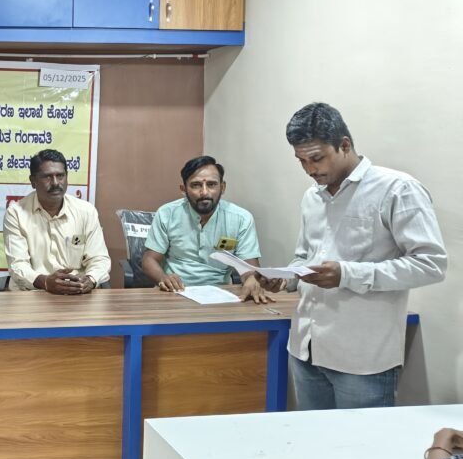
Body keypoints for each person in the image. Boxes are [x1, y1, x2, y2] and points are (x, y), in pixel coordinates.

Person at [260, 102, 447, 409]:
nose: (309, 169)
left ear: (344, 145)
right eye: (301, 160)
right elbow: (305, 256)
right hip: (306, 348)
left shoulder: (397, 189)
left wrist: (348, 274)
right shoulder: (312, 196)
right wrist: (285, 278)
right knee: (314, 437)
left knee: (362, 440)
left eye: (316, 158)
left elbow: (431, 264)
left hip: (362, 359)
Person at [143, 155, 269, 303]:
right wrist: (163, 278)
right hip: (174, 292)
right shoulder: (167, 213)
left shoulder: (241, 219)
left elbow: (249, 267)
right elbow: (149, 259)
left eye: (211, 184)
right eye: (196, 185)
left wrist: (251, 278)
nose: (204, 192)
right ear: (183, 189)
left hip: (221, 294)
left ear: (222, 187)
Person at [3, 149, 110, 294]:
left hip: (77, 293)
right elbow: (18, 265)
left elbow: (99, 258)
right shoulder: (16, 214)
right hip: (33, 293)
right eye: (47, 177)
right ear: (33, 181)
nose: (55, 183)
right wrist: (46, 282)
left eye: (60, 176)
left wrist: (91, 279)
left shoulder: (86, 212)